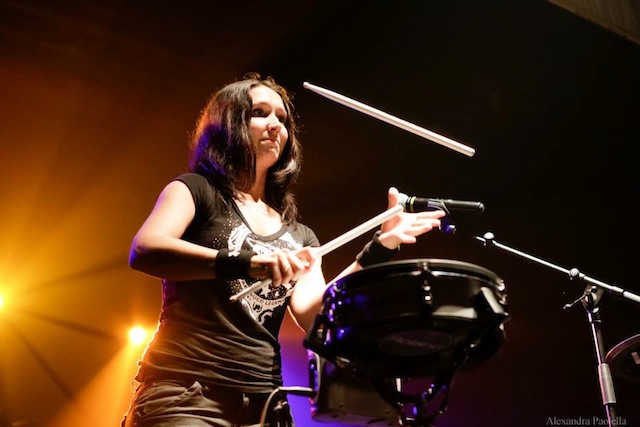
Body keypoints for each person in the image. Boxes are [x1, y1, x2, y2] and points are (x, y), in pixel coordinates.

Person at [122, 73, 446, 427]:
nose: (275, 125)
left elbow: (315, 316)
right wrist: (249, 263)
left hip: (265, 402)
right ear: (227, 123)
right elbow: (147, 248)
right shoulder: (196, 190)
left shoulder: (299, 235)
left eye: (282, 118)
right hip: (187, 392)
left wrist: (379, 248)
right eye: (259, 113)